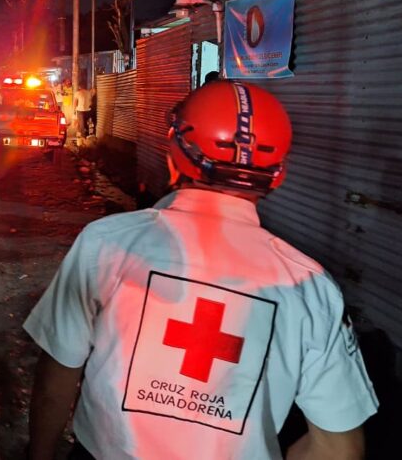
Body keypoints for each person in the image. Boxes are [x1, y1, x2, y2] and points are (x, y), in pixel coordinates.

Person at [25, 80, 378, 460]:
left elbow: (54, 384)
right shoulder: (310, 287)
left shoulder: (107, 243)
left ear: (174, 153)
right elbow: (339, 447)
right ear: (278, 175)